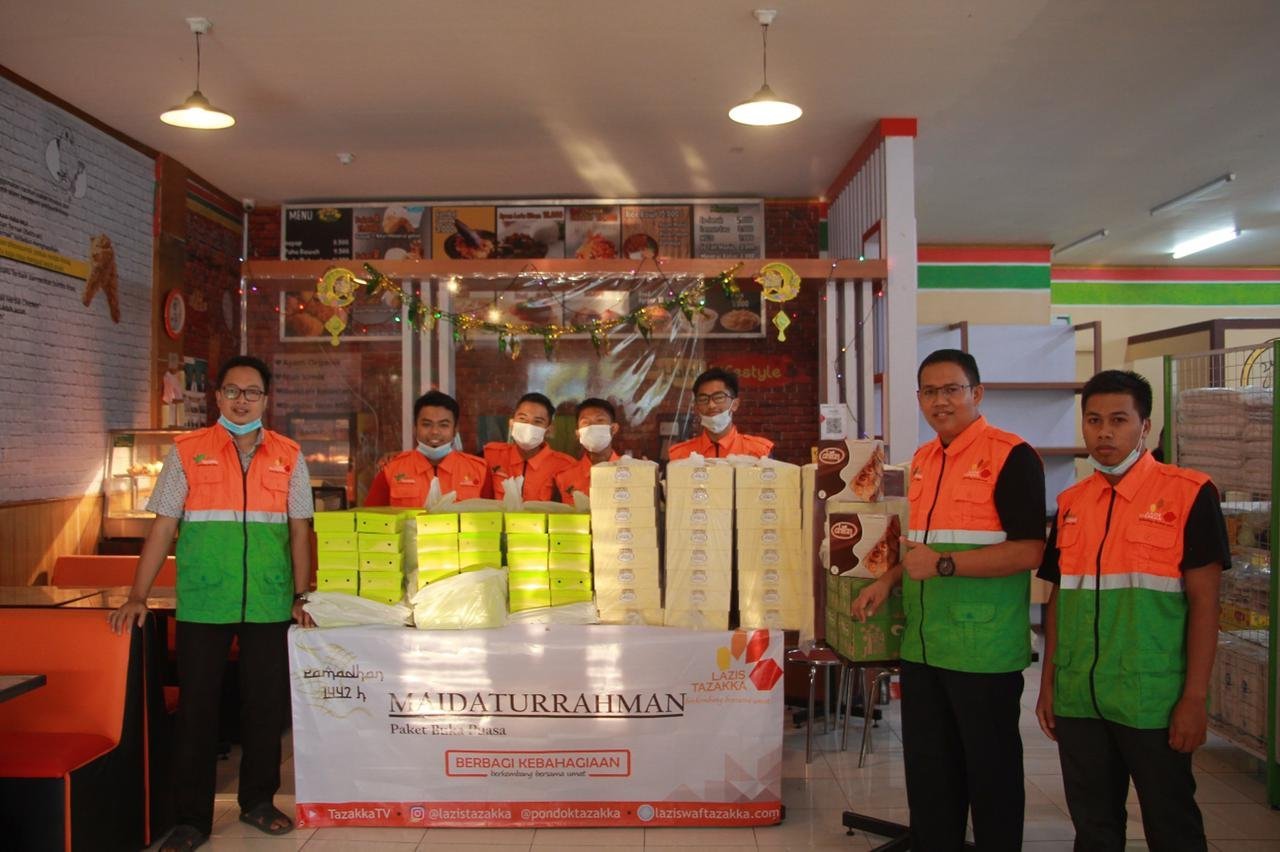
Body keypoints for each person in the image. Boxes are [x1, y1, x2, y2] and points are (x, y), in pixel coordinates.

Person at [109, 356, 314, 852]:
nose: (242, 400)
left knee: (264, 707)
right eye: (233, 391)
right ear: (218, 396)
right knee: (197, 711)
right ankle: (191, 819)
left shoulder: (289, 454)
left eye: (252, 392)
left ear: (266, 399)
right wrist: (137, 595)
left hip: (268, 600)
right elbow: (163, 527)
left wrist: (301, 594)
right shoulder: (186, 452)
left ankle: (258, 802)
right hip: (203, 600)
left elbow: (299, 531)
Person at [852, 348, 1046, 851]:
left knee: (991, 777)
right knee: (930, 778)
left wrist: (944, 565)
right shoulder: (922, 460)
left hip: (983, 650)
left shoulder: (1012, 456)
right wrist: (889, 580)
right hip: (924, 646)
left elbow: (1030, 551)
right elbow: (921, 547)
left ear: (976, 393)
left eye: (952, 390)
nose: (940, 401)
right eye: (930, 392)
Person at [1035, 370, 1227, 851]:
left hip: (1154, 700)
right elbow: (1060, 598)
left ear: (1145, 426)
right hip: (1080, 698)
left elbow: (1206, 603)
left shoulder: (1189, 493)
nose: (1104, 432)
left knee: (1172, 825)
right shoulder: (1072, 503)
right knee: (1093, 828)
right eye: (1094, 420)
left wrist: (1195, 697)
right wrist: (1049, 683)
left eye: (1119, 420)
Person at [365, 390, 488, 505]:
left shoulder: (479, 471)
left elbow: (493, 517)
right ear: (415, 428)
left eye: (443, 425)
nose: (435, 431)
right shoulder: (391, 469)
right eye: (427, 424)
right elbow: (370, 517)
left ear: (455, 430)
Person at [482, 391, 576, 502]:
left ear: (548, 430)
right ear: (512, 423)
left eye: (538, 421)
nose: (529, 426)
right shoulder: (492, 454)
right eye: (522, 419)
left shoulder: (565, 465)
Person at [668, 367, 773, 460]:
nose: (711, 405)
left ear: (735, 404)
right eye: (703, 399)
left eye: (719, 397)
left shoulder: (759, 452)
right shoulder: (679, 455)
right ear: (696, 407)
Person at [554, 397, 622, 503]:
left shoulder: (632, 470)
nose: (592, 426)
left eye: (600, 420)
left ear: (613, 429)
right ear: (578, 434)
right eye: (585, 422)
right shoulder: (564, 477)